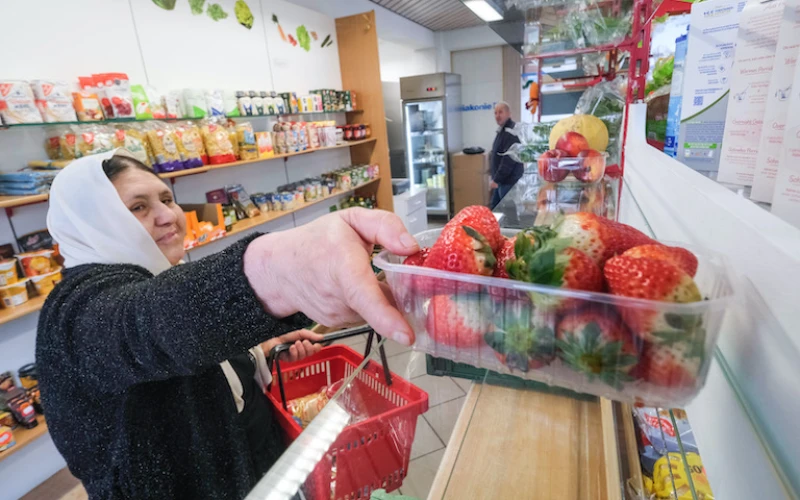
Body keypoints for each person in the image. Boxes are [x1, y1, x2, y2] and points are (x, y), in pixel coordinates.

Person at [37, 149, 419, 500]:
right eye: (138, 207)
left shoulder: (158, 275)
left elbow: (192, 346)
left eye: (166, 199)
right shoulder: (75, 313)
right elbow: (150, 324)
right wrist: (282, 270)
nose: (168, 215)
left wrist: (263, 349)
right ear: (93, 224)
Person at [489, 101, 523, 209]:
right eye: (495, 113)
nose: (497, 116)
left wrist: (496, 179)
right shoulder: (502, 131)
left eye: (500, 112)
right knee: (495, 209)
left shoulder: (510, 132)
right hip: (502, 181)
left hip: (508, 182)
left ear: (509, 114)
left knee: (508, 213)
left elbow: (508, 160)